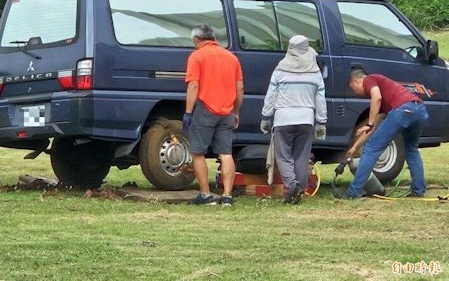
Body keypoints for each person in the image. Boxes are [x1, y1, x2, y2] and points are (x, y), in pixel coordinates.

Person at [260, 35, 327, 204]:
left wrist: (266, 117)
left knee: (283, 157)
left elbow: (271, 96)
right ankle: (300, 190)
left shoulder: (280, 69)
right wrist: (321, 121)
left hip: (283, 119)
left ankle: (292, 186)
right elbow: (320, 98)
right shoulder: (315, 72)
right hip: (306, 120)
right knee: (301, 157)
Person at [342, 69, 429, 199]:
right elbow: (373, 127)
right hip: (419, 110)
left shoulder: (370, 79)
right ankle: (418, 191)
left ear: (356, 80)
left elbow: (376, 98)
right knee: (411, 149)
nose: (355, 92)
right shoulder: (384, 97)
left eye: (353, 88)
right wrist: (355, 147)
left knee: (371, 149)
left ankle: (353, 193)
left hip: (403, 109)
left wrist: (369, 123)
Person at [183, 25, 244, 206]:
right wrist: (236, 111)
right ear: (213, 37)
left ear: (196, 40)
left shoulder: (197, 56)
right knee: (225, 153)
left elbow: (193, 85)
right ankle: (227, 196)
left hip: (205, 109)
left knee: (198, 152)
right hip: (227, 111)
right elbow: (240, 88)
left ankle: (205, 194)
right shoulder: (231, 58)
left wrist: (188, 112)